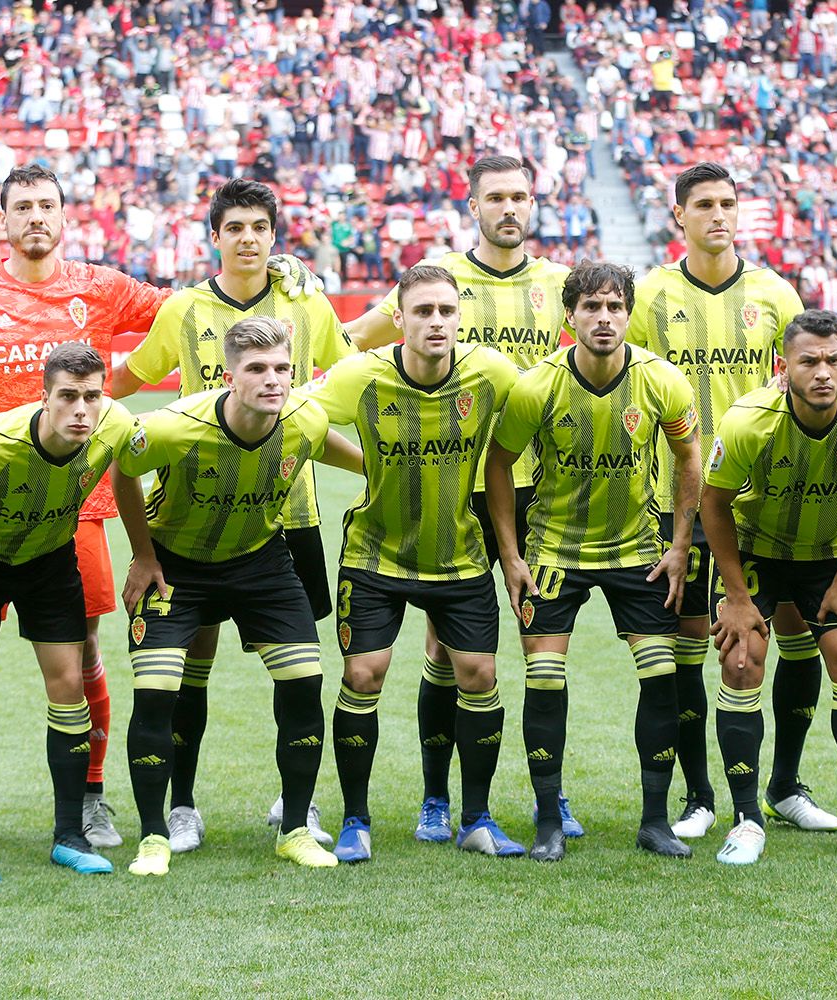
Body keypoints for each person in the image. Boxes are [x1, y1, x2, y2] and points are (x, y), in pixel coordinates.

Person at [0, 164, 170, 851]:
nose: (35, 216)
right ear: (1, 221)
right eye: (21, 206)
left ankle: (89, 799)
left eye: (46, 205)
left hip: (76, 510)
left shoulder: (100, 288)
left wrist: (268, 280)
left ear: (64, 216)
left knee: (82, 652)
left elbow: (186, 312)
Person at [109, 178, 352, 852]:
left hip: (288, 509)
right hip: (196, 507)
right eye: (235, 227)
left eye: (260, 227)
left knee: (299, 661)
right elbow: (131, 377)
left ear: (276, 236)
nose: (249, 239)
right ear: (213, 237)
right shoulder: (183, 310)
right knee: (193, 657)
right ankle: (180, 804)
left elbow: (350, 372)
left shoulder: (306, 303)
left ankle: (292, 802)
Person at [345, 155, 577, 844]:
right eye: (496, 198)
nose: (510, 208)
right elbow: (354, 343)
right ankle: (437, 801)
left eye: (521, 197)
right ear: (472, 205)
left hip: (535, 486)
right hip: (449, 486)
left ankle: (549, 798)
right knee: (448, 653)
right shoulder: (438, 278)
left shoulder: (558, 285)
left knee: (542, 648)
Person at [626, 162, 835, 841]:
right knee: (692, 644)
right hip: (676, 501)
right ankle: (698, 796)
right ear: (677, 215)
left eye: (728, 203)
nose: (719, 214)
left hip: (766, 506)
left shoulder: (775, 294)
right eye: (704, 204)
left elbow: (800, 387)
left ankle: (785, 785)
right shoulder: (650, 295)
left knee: (794, 636)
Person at [304, 264, 524, 862]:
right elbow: (303, 422)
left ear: (461, 318)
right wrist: (363, 466)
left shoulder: (491, 373)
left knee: (478, 675)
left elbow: (543, 408)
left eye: (446, 312)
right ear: (398, 318)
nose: (436, 322)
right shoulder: (360, 378)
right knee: (362, 676)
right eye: (422, 311)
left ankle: (475, 817)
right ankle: (355, 819)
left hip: (460, 556)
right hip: (375, 556)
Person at [485, 261, 702, 862]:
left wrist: (680, 545)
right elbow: (497, 465)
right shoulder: (537, 387)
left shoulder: (662, 381)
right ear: (570, 315)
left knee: (661, 676)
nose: (603, 319)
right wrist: (510, 555)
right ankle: (549, 820)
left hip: (637, 551)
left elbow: (689, 458)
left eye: (614, 307)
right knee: (545, 679)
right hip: (554, 552)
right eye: (591, 307)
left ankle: (655, 821)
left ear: (628, 314)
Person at [702, 309, 837, 866]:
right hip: (755, 546)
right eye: (808, 361)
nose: (822, 373)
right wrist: (737, 597)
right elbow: (713, 504)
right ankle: (746, 819)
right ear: (783, 366)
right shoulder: (749, 421)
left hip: (826, 553)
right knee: (742, 663)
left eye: (833, 360)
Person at [0, 344, 139, 884]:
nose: (81, 410)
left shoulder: (115, 427)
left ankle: (69, 835)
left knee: (70, 682)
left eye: (91, 397)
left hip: (50, 560)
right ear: (44, 399)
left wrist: (146, 554)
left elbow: (131, 476)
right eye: (67, 397)